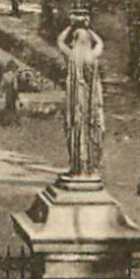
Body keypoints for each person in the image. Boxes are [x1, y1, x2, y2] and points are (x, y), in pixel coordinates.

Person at [57, 16, 106, 178]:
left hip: (77, 102)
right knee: (90, 131)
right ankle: (89, 167)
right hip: (91, 102)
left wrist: (71, 26)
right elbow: (100, 43)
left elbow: (60, 41)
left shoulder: (72, 56)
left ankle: (77, 166)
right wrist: (89, 28)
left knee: (76, 131)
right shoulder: (92, 56)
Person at [0, 58, 22, 126]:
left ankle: (6, 121)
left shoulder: (5, 75)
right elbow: (15, 86)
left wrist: (1, 93)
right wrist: (18, 96)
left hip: (7, 92)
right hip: (13, 92)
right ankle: (15, 121)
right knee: (14, 107)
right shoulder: (14, 75)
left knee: (8, 106)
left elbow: (2, 85)